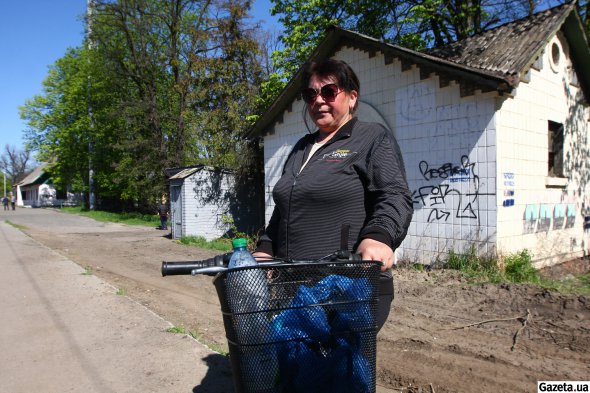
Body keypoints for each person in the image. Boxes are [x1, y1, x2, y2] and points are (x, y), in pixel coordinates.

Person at [253, 58, 413, 330]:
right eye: (310, 94)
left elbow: (395, 195)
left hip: (342, 288)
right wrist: (266, 249)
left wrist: (378, 237)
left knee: (335, 370)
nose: (318, 100)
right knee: (290, 366)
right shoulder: (301, 148)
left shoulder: (371, 138)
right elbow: (284, 208)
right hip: (291, 286)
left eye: (328, 91)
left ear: (352, 97)